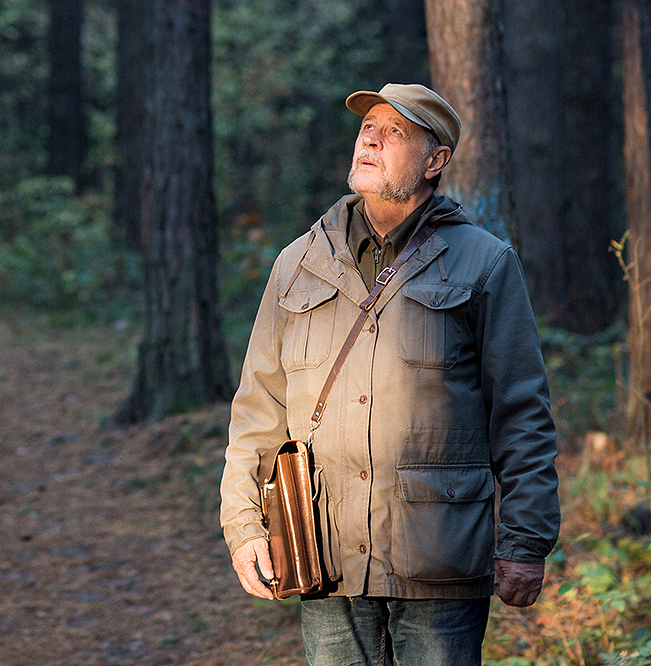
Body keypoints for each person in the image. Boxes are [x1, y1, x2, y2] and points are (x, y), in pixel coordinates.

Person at [219, 82, 560, 666]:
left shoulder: (484, 263)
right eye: (366, 129)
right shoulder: (298, 262)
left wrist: (526, 540)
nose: (370, 139)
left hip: (439, 559)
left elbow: (521, 413)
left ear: (436, 161)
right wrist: (245, 522)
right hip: (324, 553)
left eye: (394, 131)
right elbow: (259, 406)